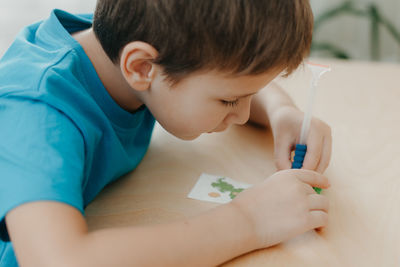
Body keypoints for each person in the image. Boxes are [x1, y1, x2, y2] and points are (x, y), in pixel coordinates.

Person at [0, 0, 332, 266]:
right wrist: (249, 221)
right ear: (141, 67)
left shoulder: (137, 42)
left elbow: (220, 72)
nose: (243, 115)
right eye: (230, 100)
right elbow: (59, 260)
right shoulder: (36, 115)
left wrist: (281, 110)